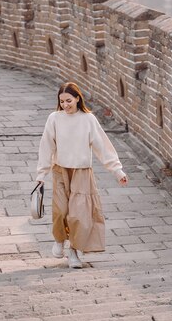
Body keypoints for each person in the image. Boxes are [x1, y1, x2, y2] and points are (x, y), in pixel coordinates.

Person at [35, 82, 127, 269]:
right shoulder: (54, 118)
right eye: (62, 102)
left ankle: (74, 252)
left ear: (77, 98)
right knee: (60, 211)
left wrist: (117, 170)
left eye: (69, 100)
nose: (65, 105)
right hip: (60, 170)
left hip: (82, 173)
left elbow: (102, 146)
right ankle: (59, 239)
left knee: (79, 215)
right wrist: (41, 173)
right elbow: (46, 146)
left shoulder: (88, 119)